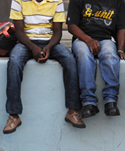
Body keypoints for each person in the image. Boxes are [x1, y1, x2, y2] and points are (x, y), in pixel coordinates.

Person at [3, 0, 85, 134]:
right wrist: (32, 47)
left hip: (49, 41)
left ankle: (72, 111)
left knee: (70, 59)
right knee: (14, 61)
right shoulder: (18, 1)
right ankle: (14, 115)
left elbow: (58, 32)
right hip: (26, 42)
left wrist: (48, 47)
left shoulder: (56, 1)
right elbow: (18, 31)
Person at [67, 0, 125, 118]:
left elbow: (121, 27)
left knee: (110, 54)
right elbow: (71, 26)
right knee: (83, 54)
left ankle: (111, 101)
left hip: (105, 39)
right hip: (82, 39)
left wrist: (120, 50)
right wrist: (88, 40)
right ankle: (88, 102)